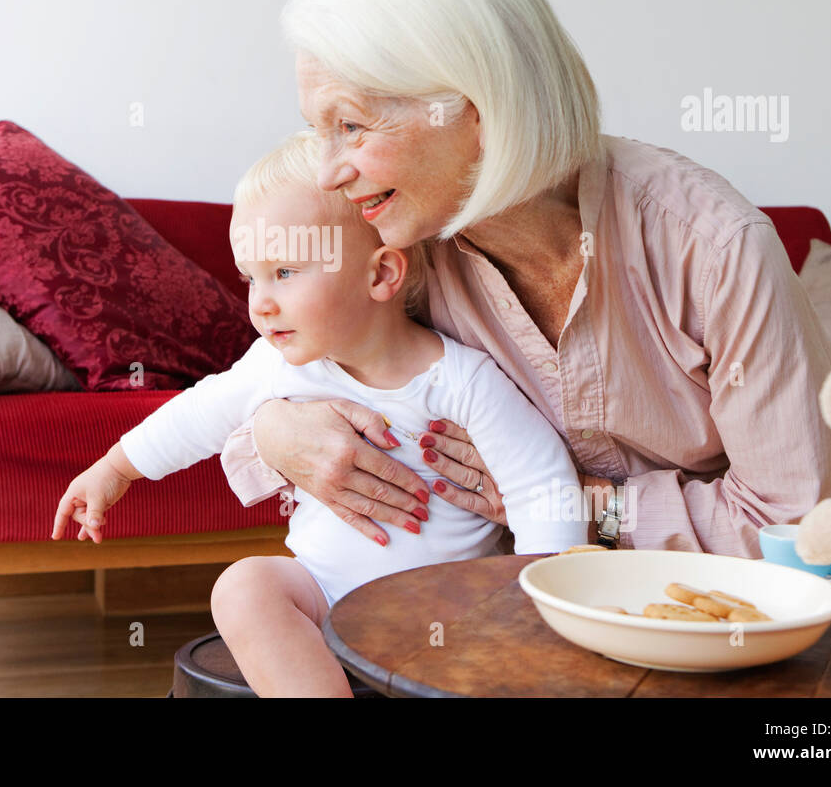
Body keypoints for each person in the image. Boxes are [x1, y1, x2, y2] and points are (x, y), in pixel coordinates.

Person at [218, 0, 831, 558]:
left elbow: (797, 523)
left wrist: (578, 506)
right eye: (318, 131)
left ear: (476, 108)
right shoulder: (391, 241)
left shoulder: (713, 248)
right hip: (484, 610)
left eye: (352, 126)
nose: (329, 171)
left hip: (702, 617)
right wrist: (274, 432)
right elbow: (281, 369)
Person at [51, 132, 587, 696]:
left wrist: (537, 608)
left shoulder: (462, 381)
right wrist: (114, 470)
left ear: (381, 274)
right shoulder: (277, 367)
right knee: (244, 585)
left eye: (284, 273)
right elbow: (196, 414)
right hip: (323, 598)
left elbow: (540, 484)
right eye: (250, 277)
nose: (260, 301)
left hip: (448, 612)